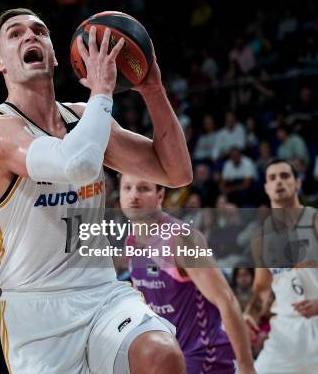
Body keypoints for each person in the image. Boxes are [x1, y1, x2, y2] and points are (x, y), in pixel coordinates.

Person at [0, 8, 192, 373]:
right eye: (15, 34)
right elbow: (75, 163)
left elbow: (176, 171)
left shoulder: (82, 117)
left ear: (57, 55)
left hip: (102, 292)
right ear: (0, 63)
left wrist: (152, 89)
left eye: (39, 31)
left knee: (161, 356)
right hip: (37, 312)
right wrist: (103, 92)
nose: (30, 36)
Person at [119, 173, 255, 374]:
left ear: (160, 196)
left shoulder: (182, 239)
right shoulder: (131, 241)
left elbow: (227, 300)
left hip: (204, 358)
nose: (134, 196)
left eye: (143, 188)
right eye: (127, 188)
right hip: (169, 357)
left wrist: (247, 367)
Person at [244, 159, 318, 373]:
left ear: (298, 184)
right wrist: (250, 315)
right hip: (285, 332)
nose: (279, 182)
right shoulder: (261, 235)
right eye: (272, 178)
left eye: (285, 176)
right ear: (266, 187)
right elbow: (261, 288)